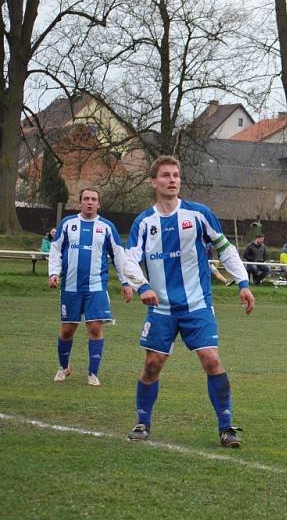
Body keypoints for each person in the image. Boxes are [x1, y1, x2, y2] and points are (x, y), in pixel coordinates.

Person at [126, 155, 255, 447]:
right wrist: (142, 285)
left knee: (211, 359)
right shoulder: (144, 222)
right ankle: (142, 422)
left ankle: (226, 427)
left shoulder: (198, 214)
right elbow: (129, 260)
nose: (172, 180)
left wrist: (243, 284)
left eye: (176, 175)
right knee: (152, 365)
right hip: (161, 308)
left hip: (197, 304)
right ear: (153, 182)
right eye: (165, 175)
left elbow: (226, 249)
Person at [47, 187, 142, 386]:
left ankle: (93, 373)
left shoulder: (107, 227)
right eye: (86, 199)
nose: (90, 202)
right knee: (67, 330)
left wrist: (126, 282)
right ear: (80, 202)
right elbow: (55, 250)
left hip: (96, 287)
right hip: (71, 287)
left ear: (98, 204)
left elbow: (119, 256)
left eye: (94, 199)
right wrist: (53, 273)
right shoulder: (67, 224)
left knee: (95, 327)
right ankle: (64, 368)